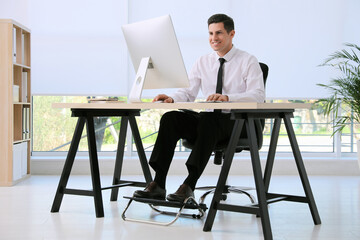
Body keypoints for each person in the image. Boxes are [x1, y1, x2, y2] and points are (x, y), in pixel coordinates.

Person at [134, 13, 265, 202]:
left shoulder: (248, 61)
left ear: (232, 34)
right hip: (210, 124)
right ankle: (158, 183)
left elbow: (258, 95)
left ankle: (189, 184)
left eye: (219, 33)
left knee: (209, 119)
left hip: (236, 123)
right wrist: (171, 98)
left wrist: (227, 98)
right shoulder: (203, 61)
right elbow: (188, 93)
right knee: (171, 119)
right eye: (211, 33)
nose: (214, 38)